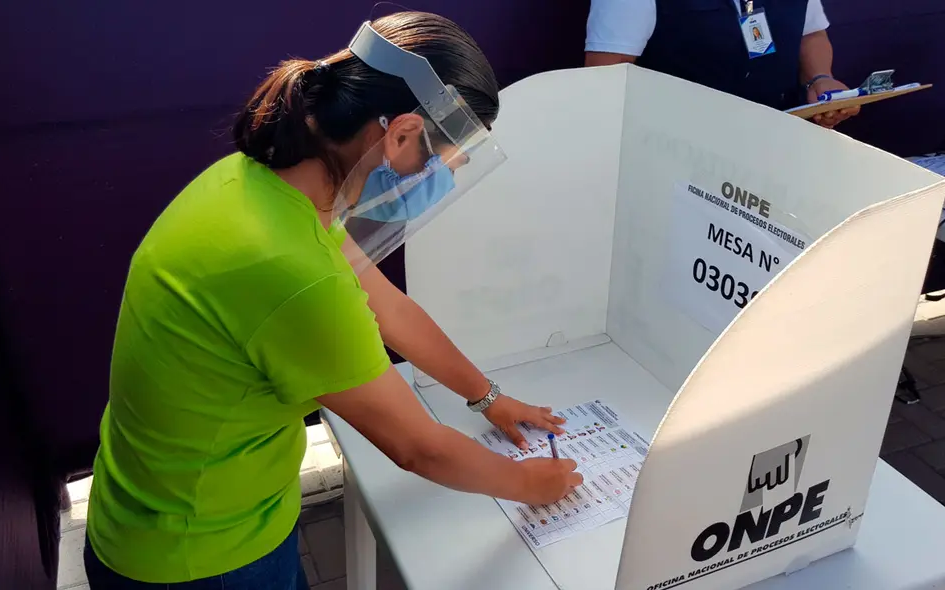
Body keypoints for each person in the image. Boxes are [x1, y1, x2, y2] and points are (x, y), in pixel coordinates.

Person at [82, 11, 583, 590]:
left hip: (152, 514)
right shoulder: (291, 269)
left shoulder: (262, 185)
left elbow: (388, 309)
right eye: (439, 162)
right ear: (399, 134)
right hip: (205, 555)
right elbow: (419, 449)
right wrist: (533, 485)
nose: (437, 179)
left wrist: (488, 397)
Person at [584, 0, 860, 128]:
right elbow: (606, 78)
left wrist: (819, 79)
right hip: (680, 158)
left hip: (779, 148)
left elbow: (811, 34)